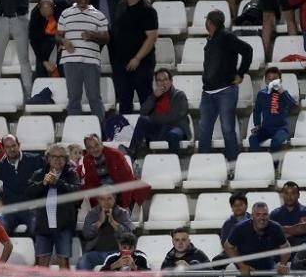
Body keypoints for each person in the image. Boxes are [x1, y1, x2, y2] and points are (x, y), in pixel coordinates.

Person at [196, 9, 252, 162]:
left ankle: (233, 164)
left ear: (209, 23)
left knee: (227, 129)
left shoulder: (227, 37)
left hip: (225, 90)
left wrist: (241, 73)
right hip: (208, 92)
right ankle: (201, 164)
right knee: (204, 130)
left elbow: (247, 50)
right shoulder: (212, 38)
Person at [57, 0, 109, 123]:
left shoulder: (99, 15)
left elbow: (106, 38)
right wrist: (64, 42)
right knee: (73, 99)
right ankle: (75, 133)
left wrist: (93, 35)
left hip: (91, 61)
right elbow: (58, 35)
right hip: (70, 61)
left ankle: (100, 132)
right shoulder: (65, 14)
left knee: (94, 98)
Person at [224, 201, 290, 277]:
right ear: (252, 216)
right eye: (258, 214)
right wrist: (241, 265)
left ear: (268, 215)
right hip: (247, 275)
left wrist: (283, 264)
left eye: (265, 214)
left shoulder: (275, 228)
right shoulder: (240, 228)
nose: (262, 218)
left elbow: (285, 246)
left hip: (267, 273)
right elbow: (228, 246)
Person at [27, 144, 81, 268]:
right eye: (54, 156)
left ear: (66, 160)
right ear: (48, 158)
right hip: (43, 226)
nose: (57, 159)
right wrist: (44, 183)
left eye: (61, 156)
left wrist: (58, 182)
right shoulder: (39, 174)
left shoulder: (71, 174)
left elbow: (78, 194)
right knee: (42, 264)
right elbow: (29, 193)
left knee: (64, 263)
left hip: (63, 227)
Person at [110, 0, 158, 115]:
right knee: (124, 100)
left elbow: (152, 37)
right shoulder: (121, 7)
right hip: (121, 62)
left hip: (142, 63)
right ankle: (126, 135)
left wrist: (137, 58)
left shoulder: (147, 10)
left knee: (145, 98)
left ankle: (150, 135)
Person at [127, 68, 190, 158]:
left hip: (176, 127)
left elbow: (177, 116)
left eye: (165, 79)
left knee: (173, 134)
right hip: (159, 129)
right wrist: (153, 97)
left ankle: (175, 163)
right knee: (143, 120)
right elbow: (143, 112)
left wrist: (155, 118)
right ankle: (132, 152)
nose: (163, 83)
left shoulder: (179, 95)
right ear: (156, 83)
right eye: (159, 80)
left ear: (171, 81)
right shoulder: (155, 95)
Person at [0, 134, 41, 236]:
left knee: (36, 227)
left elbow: (45, 178)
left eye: (13, 145)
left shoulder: (35, 160)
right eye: (7, 147)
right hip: (10, 210)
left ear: (19, 145)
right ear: (3, 148)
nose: (11, 149)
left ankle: (29, 248)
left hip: (31, 208)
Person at [82, 132, 148, 209]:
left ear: (101, 144)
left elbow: (127, 179)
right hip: (103, 194)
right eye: (90, 147)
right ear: (86, 149)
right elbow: (90, 182)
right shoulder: (86, 159)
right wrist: (96, 203)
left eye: (97, 145)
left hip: (121, 191)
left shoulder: (116, 154)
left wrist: (125, 203)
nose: (95, 149)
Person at [76, 189, 133, 270]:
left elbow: (129, 236)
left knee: (125, 263)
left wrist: (113, 222)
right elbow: (86, 235)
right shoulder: (93, 213)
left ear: (114, 198)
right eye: (102, 199)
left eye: (109, 198)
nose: (106, 202)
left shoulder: (122, 213)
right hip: (96, 253)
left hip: (117, 253)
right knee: (82, 261)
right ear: (98, 200)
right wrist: (99, 222)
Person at [249, 67, 297, 153]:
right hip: (266, 129)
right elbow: (257, 111)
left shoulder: (283, 93)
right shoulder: (262, 94)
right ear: (266, 81)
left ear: (280, 80)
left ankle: (273, 165)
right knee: (252, 139)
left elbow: (294, 106)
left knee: (275, 142)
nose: (272, 82)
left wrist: (281, 91)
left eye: (275, 79)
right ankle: (262, 161)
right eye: (269, 79)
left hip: (281, 129)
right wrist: (257, 125)